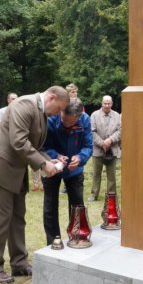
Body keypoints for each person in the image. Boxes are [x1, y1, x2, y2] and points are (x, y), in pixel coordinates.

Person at [0, 86, 70, 283]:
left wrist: (48, 160)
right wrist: (43, 164)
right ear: (51, 98)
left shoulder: (40, 111)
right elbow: (19, 141)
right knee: (1, 218)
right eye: (59, 108)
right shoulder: (25, 105)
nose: (58, 113)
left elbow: (33, 145)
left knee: (18, 217)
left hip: (16, 170)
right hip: (1, 168)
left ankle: (19, 263)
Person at [42, 98, 93, 245]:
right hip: (52, 167)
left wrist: (80, 157)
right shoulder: (50, 119)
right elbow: (43, 146)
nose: (65, 124)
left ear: (78, 117)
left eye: (70, 122)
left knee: (77, 206)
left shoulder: (85, 120)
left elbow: (88, 146)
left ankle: (77, 238)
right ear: (61, 111)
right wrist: (56, 156)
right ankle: (53, 242)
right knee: (50, 206)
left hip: (75, 171)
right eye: (63, 119)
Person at [88, 95, 121, 202]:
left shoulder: (117, 116)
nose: (107, 105)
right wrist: (102, 143)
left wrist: (110, 140)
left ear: (112, 104)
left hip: (112, 149)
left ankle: (111, 196)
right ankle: (94, 194)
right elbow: (92, 131)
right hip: (98, 150)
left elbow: (120, 131)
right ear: (101, 103)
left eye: (109, 103)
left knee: (111, 175)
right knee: (96, 174)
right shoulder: (94, 115)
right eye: (105, 103)